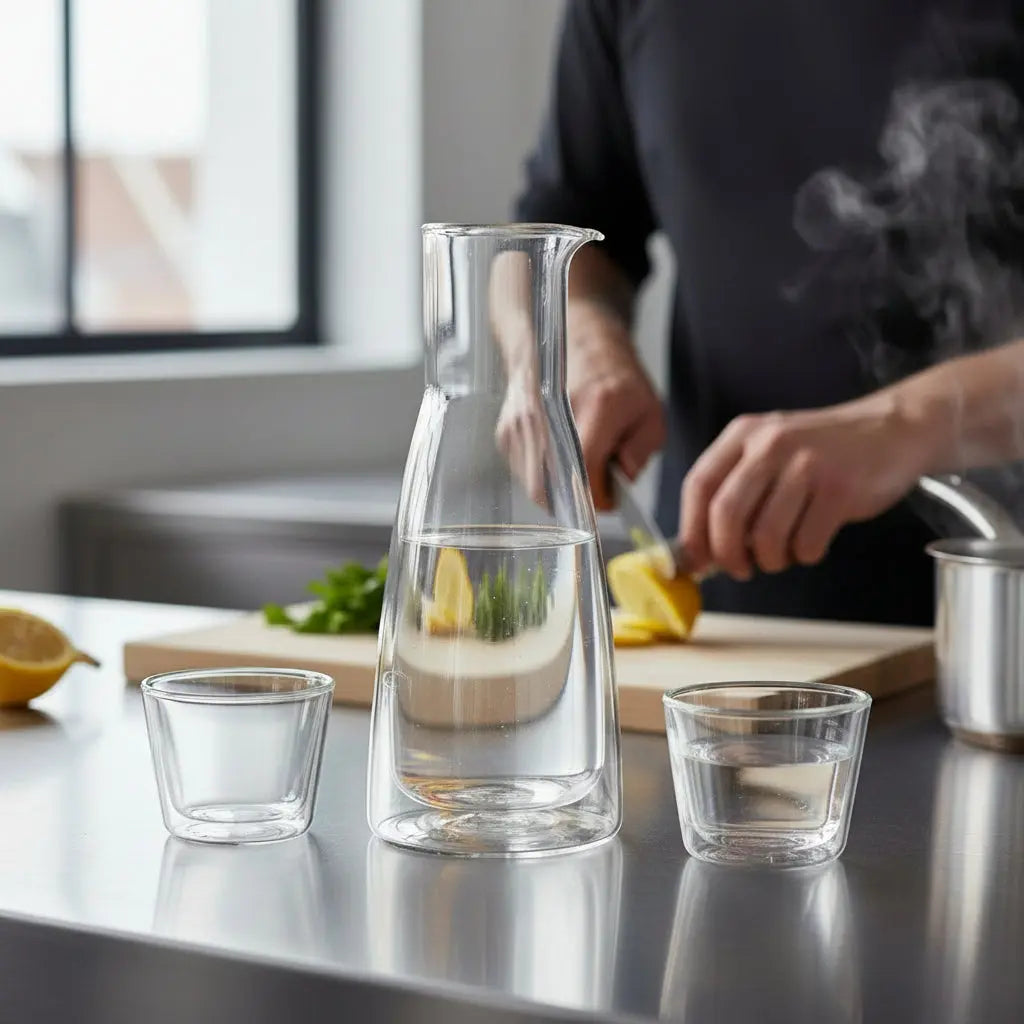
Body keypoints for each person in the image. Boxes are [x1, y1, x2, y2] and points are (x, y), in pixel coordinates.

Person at [511, 0, 1024, 626]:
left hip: (998, 617)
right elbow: (559, 228)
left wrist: (907, 423)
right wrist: (580, 346)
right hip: (728, 620)